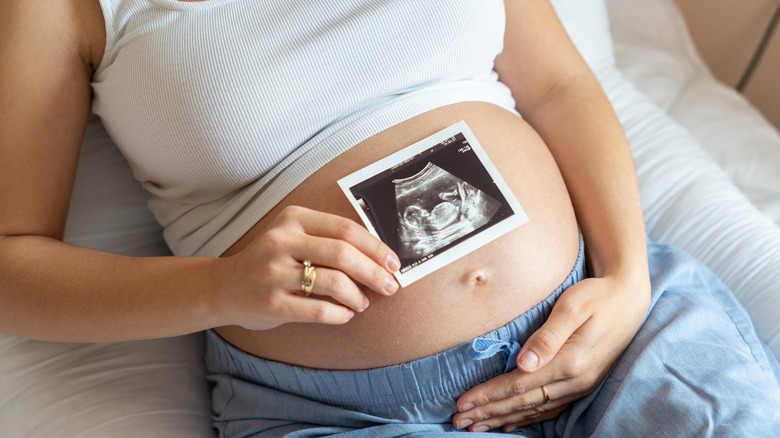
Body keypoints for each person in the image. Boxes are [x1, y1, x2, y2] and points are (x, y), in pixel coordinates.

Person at [1, 0, 778, 436]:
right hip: (341, 413)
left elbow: (562, 87)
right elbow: (11, 262)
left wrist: (630, 277)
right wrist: (217, 287)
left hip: (605, 319)